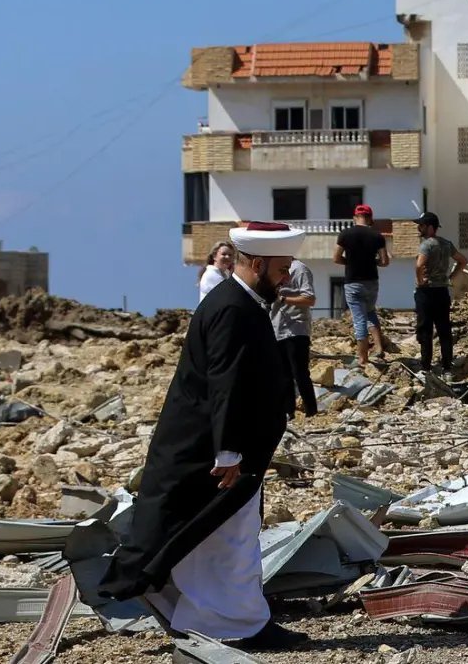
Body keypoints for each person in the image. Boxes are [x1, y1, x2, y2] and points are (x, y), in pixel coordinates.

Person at [98, 222, 305, 650]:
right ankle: (240, 625)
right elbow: (224, 382)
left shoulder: (238, 302)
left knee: (215, 537)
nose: (287, 278)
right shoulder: (232, 308)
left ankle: (213, 617)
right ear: (259, 263)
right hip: (215, 452)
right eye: (283, 268)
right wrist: (228, 450)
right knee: (233, 542)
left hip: (221, 449)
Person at [333, 204, 389, 369]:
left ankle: (363, 359)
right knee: (371, 312)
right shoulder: (378, 236)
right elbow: (385, 262)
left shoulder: (345, 234)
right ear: (370, 218)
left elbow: (336, 258)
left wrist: (350, 262)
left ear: (354, 218)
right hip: (372, 282)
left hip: (353, 282)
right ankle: (379, 349)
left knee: (359, 320)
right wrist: (374, 262)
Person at [413, 212, 466, 373]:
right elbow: (463, 260)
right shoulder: (446, 244)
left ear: (430, 227)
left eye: (421, 225)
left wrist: (421, 281)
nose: (419, 228)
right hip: (442, 291)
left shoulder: (427, 245)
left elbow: (419, 265)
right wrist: (451, 277)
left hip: (427, 292)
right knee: (444, 329)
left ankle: (425, 367)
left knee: (425, 329)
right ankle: (447, 366)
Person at [271, 256, 318, 417]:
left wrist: (283, 299)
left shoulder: (299, 269)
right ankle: (288, 413)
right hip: (277, 330)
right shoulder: (272, 270)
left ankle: (311, 412)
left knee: (300, 373)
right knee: (283, 376)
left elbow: (309, 298)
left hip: (296, 329)